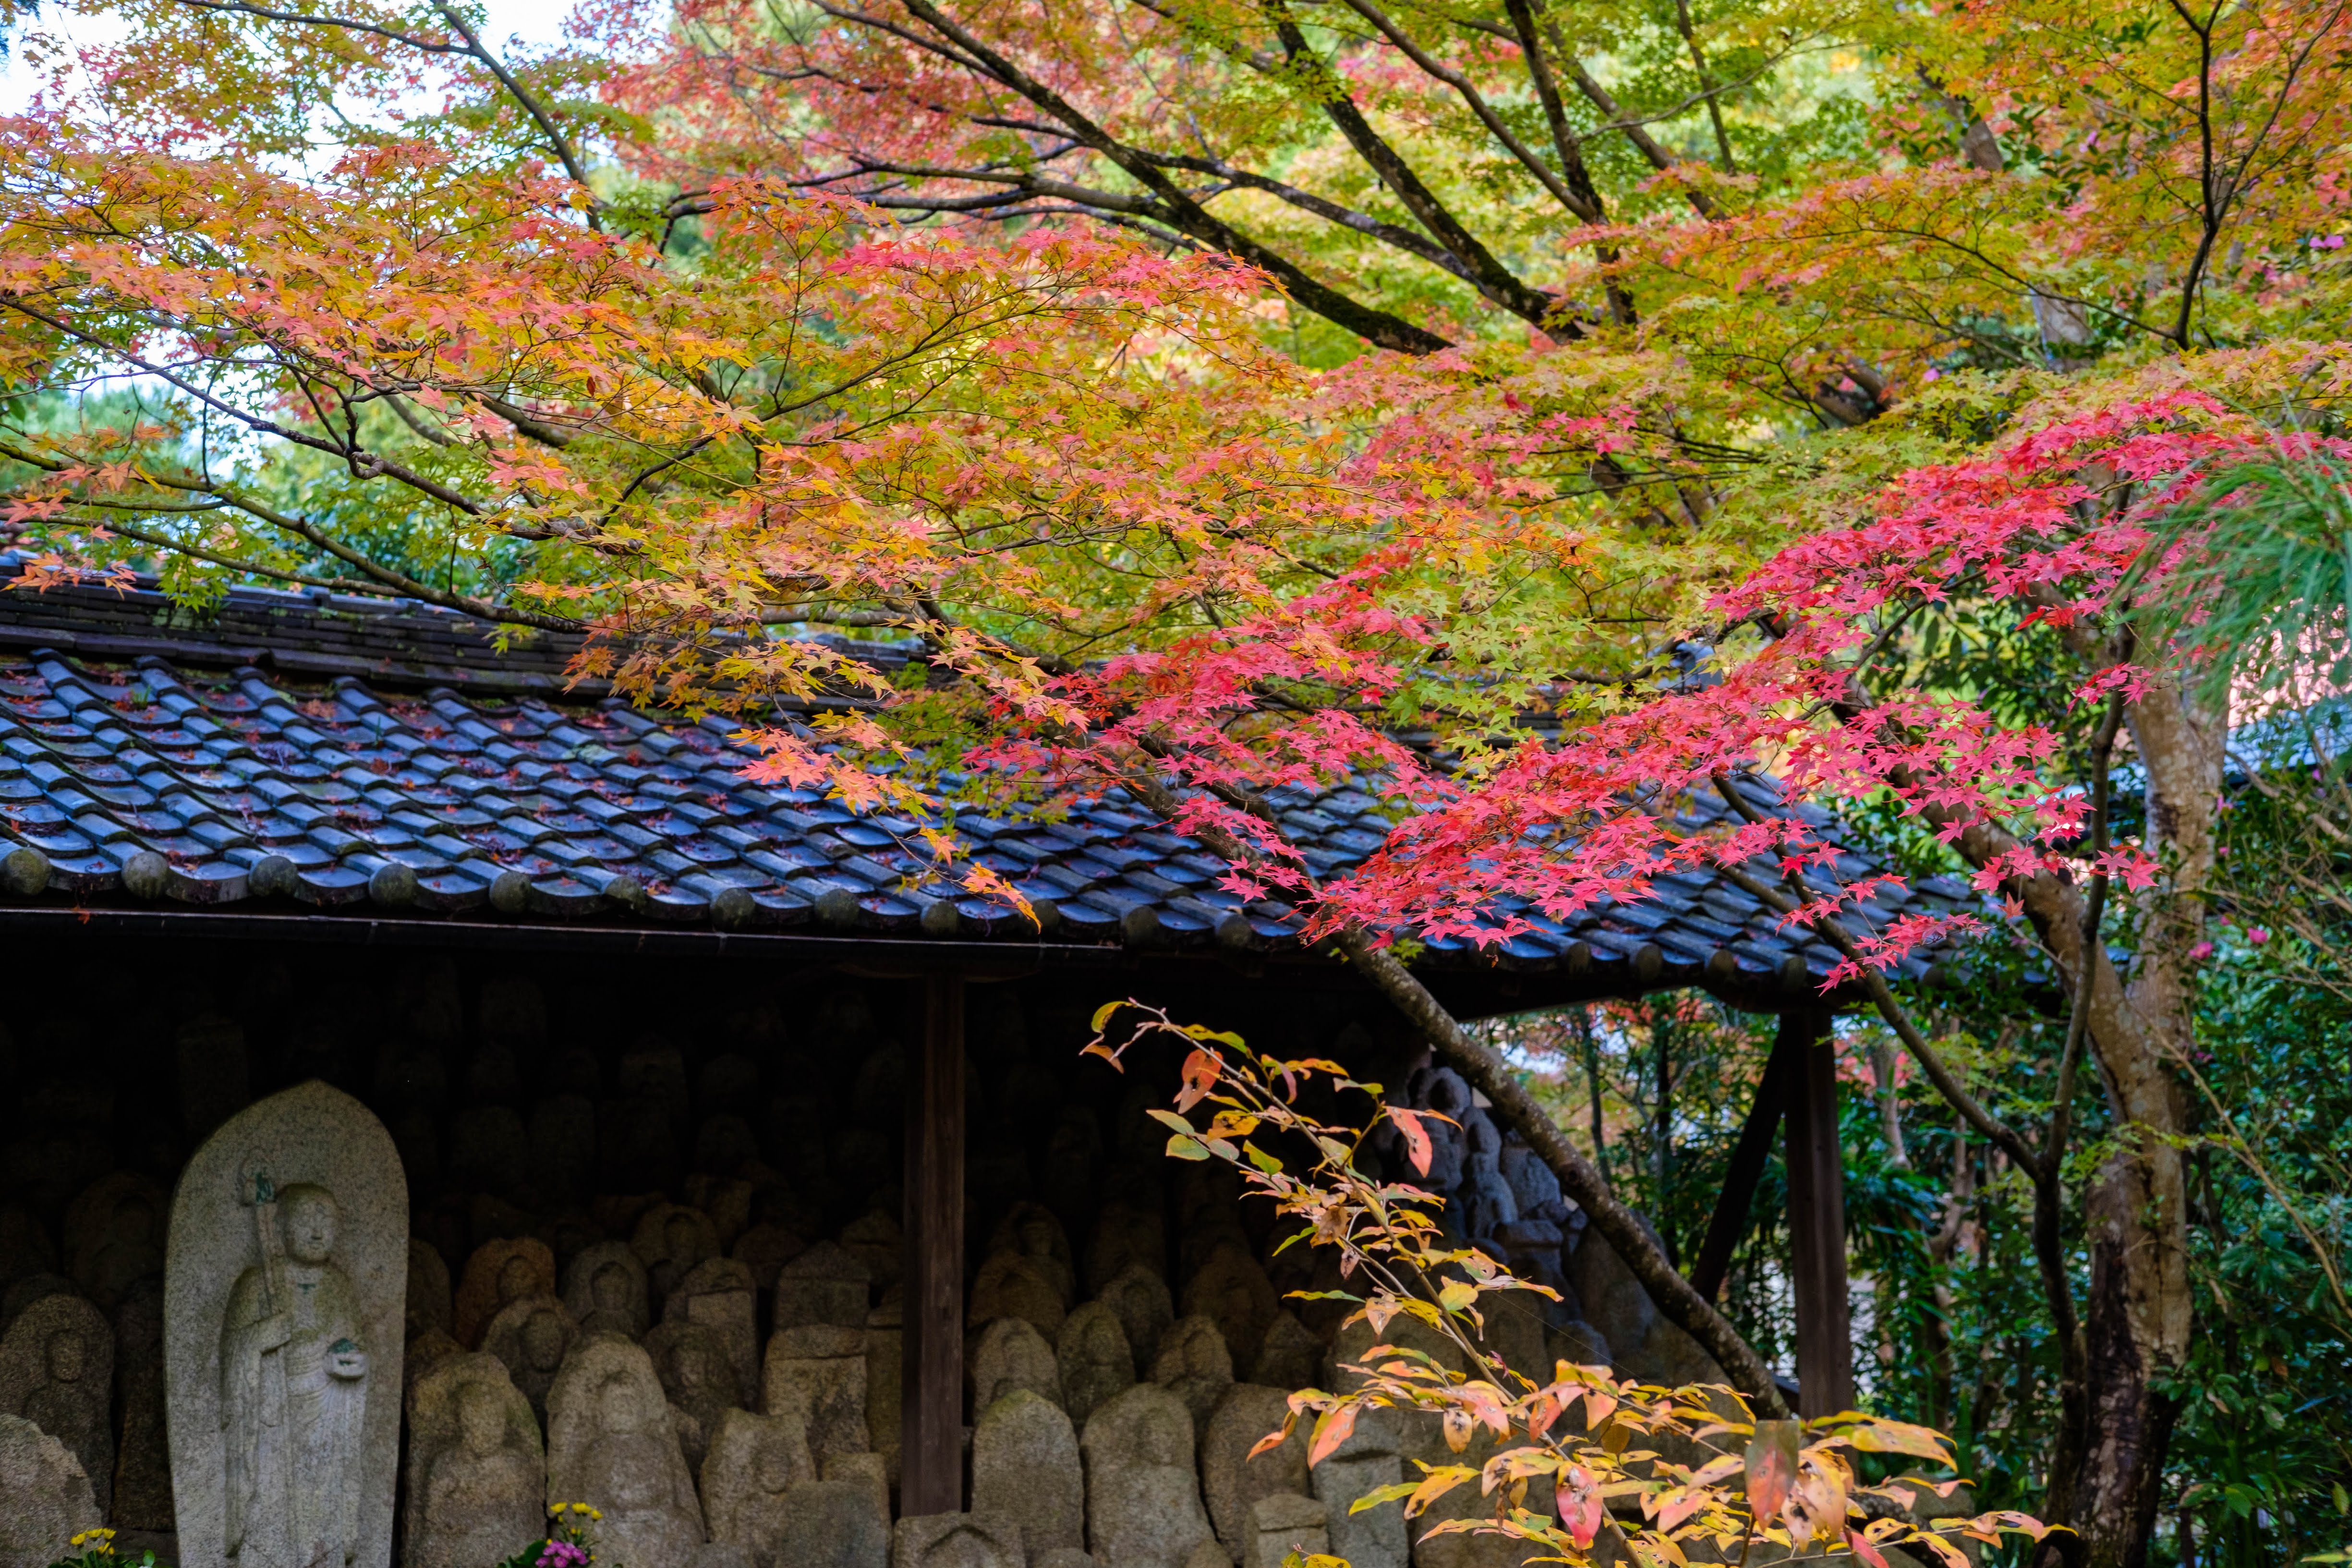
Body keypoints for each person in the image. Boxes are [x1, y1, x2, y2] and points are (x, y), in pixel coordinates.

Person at [219, 1184, 368, 1568]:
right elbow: (232, 1352)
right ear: (280, 1225)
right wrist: (259, 1337)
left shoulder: (339, 1286)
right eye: (305, 1220)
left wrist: (349, 1364)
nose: (318, 1231)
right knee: (271, 1505)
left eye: (327, 1222)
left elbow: (353, 1345)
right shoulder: (258, 1283)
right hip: (272, 1418)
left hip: (327, 1420)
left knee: (322, 1505)